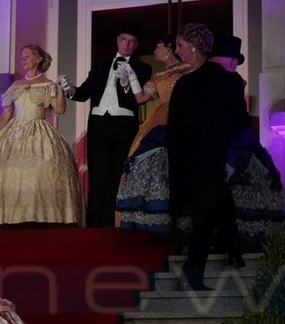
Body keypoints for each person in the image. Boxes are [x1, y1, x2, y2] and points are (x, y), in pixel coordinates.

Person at [167, 24, 251, 290]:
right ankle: (228, 255)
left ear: (193, 48)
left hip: (188, 161)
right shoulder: (228, 81)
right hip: (214, 157)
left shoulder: (185, 84)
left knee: (209, 211)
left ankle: (228, 255)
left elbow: (174, 129)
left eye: (180, 45)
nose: (176, 50)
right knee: (207, 213)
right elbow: (240, 122)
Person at [0, 44, 84, 227]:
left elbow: (60, 110)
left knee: (42, 170)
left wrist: (60, 89)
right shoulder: (16, 85)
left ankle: (43, 217)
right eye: (22, 56)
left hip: (39, 132)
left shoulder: (48, 85)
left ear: (39, 58)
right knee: (3, 170)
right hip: (14, 131)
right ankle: (7, 217)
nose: (23, 59)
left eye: (27, 56)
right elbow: (6, 113)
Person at [59, 22, 152, 227]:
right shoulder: (100, 64)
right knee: (98, 174)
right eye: (124, 39)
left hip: (124, 124)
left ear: (136, 45)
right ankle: (95, 224)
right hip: (99, 124)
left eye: (132, 41)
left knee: (119, 173)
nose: (127, 44)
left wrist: (126, 82)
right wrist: (69, 89)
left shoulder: (143, 67)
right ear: (117, 40)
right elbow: (84, 93)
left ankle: (117, 222)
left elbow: (137, 98)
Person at [209, 34, 285, 247]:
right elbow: (238, 116)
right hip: (233, 138)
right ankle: (244, 233)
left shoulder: (202, 78)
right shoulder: (232, 80)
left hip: (214, 141)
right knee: (246, 179)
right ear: (232, 61)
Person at [114, 35, 193, 232]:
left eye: (157, 46)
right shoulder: (159, 75)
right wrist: (131, 78)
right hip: (159, 117)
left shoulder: (187, 68)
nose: (154, 51)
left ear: (168, 49)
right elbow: (141, 98)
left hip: (182, 114)